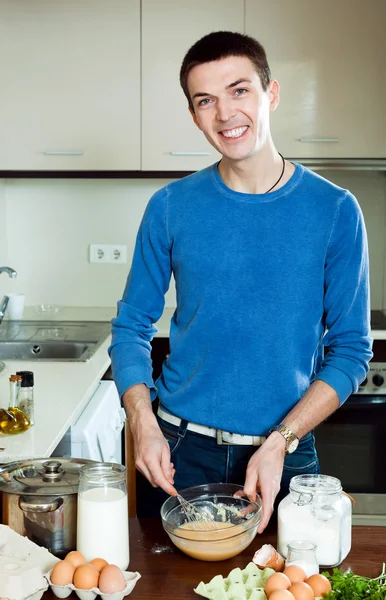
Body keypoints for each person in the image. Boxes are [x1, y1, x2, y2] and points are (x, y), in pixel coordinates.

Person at [109, 31, 372, 531]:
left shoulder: (335, 210)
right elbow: (131, 326)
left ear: (271, 93)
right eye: (205, 100)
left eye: (239, 90)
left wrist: (282, 440)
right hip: (178, 452)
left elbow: (351, 351)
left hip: (284, 454)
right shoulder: (170, 207)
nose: (225, 114)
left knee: (284, 584)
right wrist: (142, 422)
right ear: (194, 115)